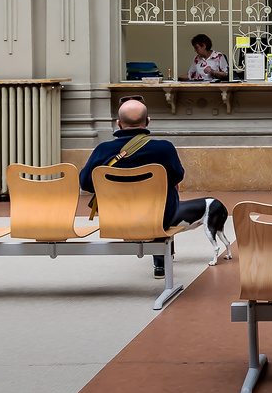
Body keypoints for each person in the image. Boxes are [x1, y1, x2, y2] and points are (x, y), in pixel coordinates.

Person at [81, 98, 220, 278]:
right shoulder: (164, 149)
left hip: (115, 217)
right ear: (147, 121)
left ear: (118, 123)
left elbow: (85, 184)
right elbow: (178, 176)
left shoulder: (102, 150)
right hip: (158, 217)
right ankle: (160, 262)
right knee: (170, 188)